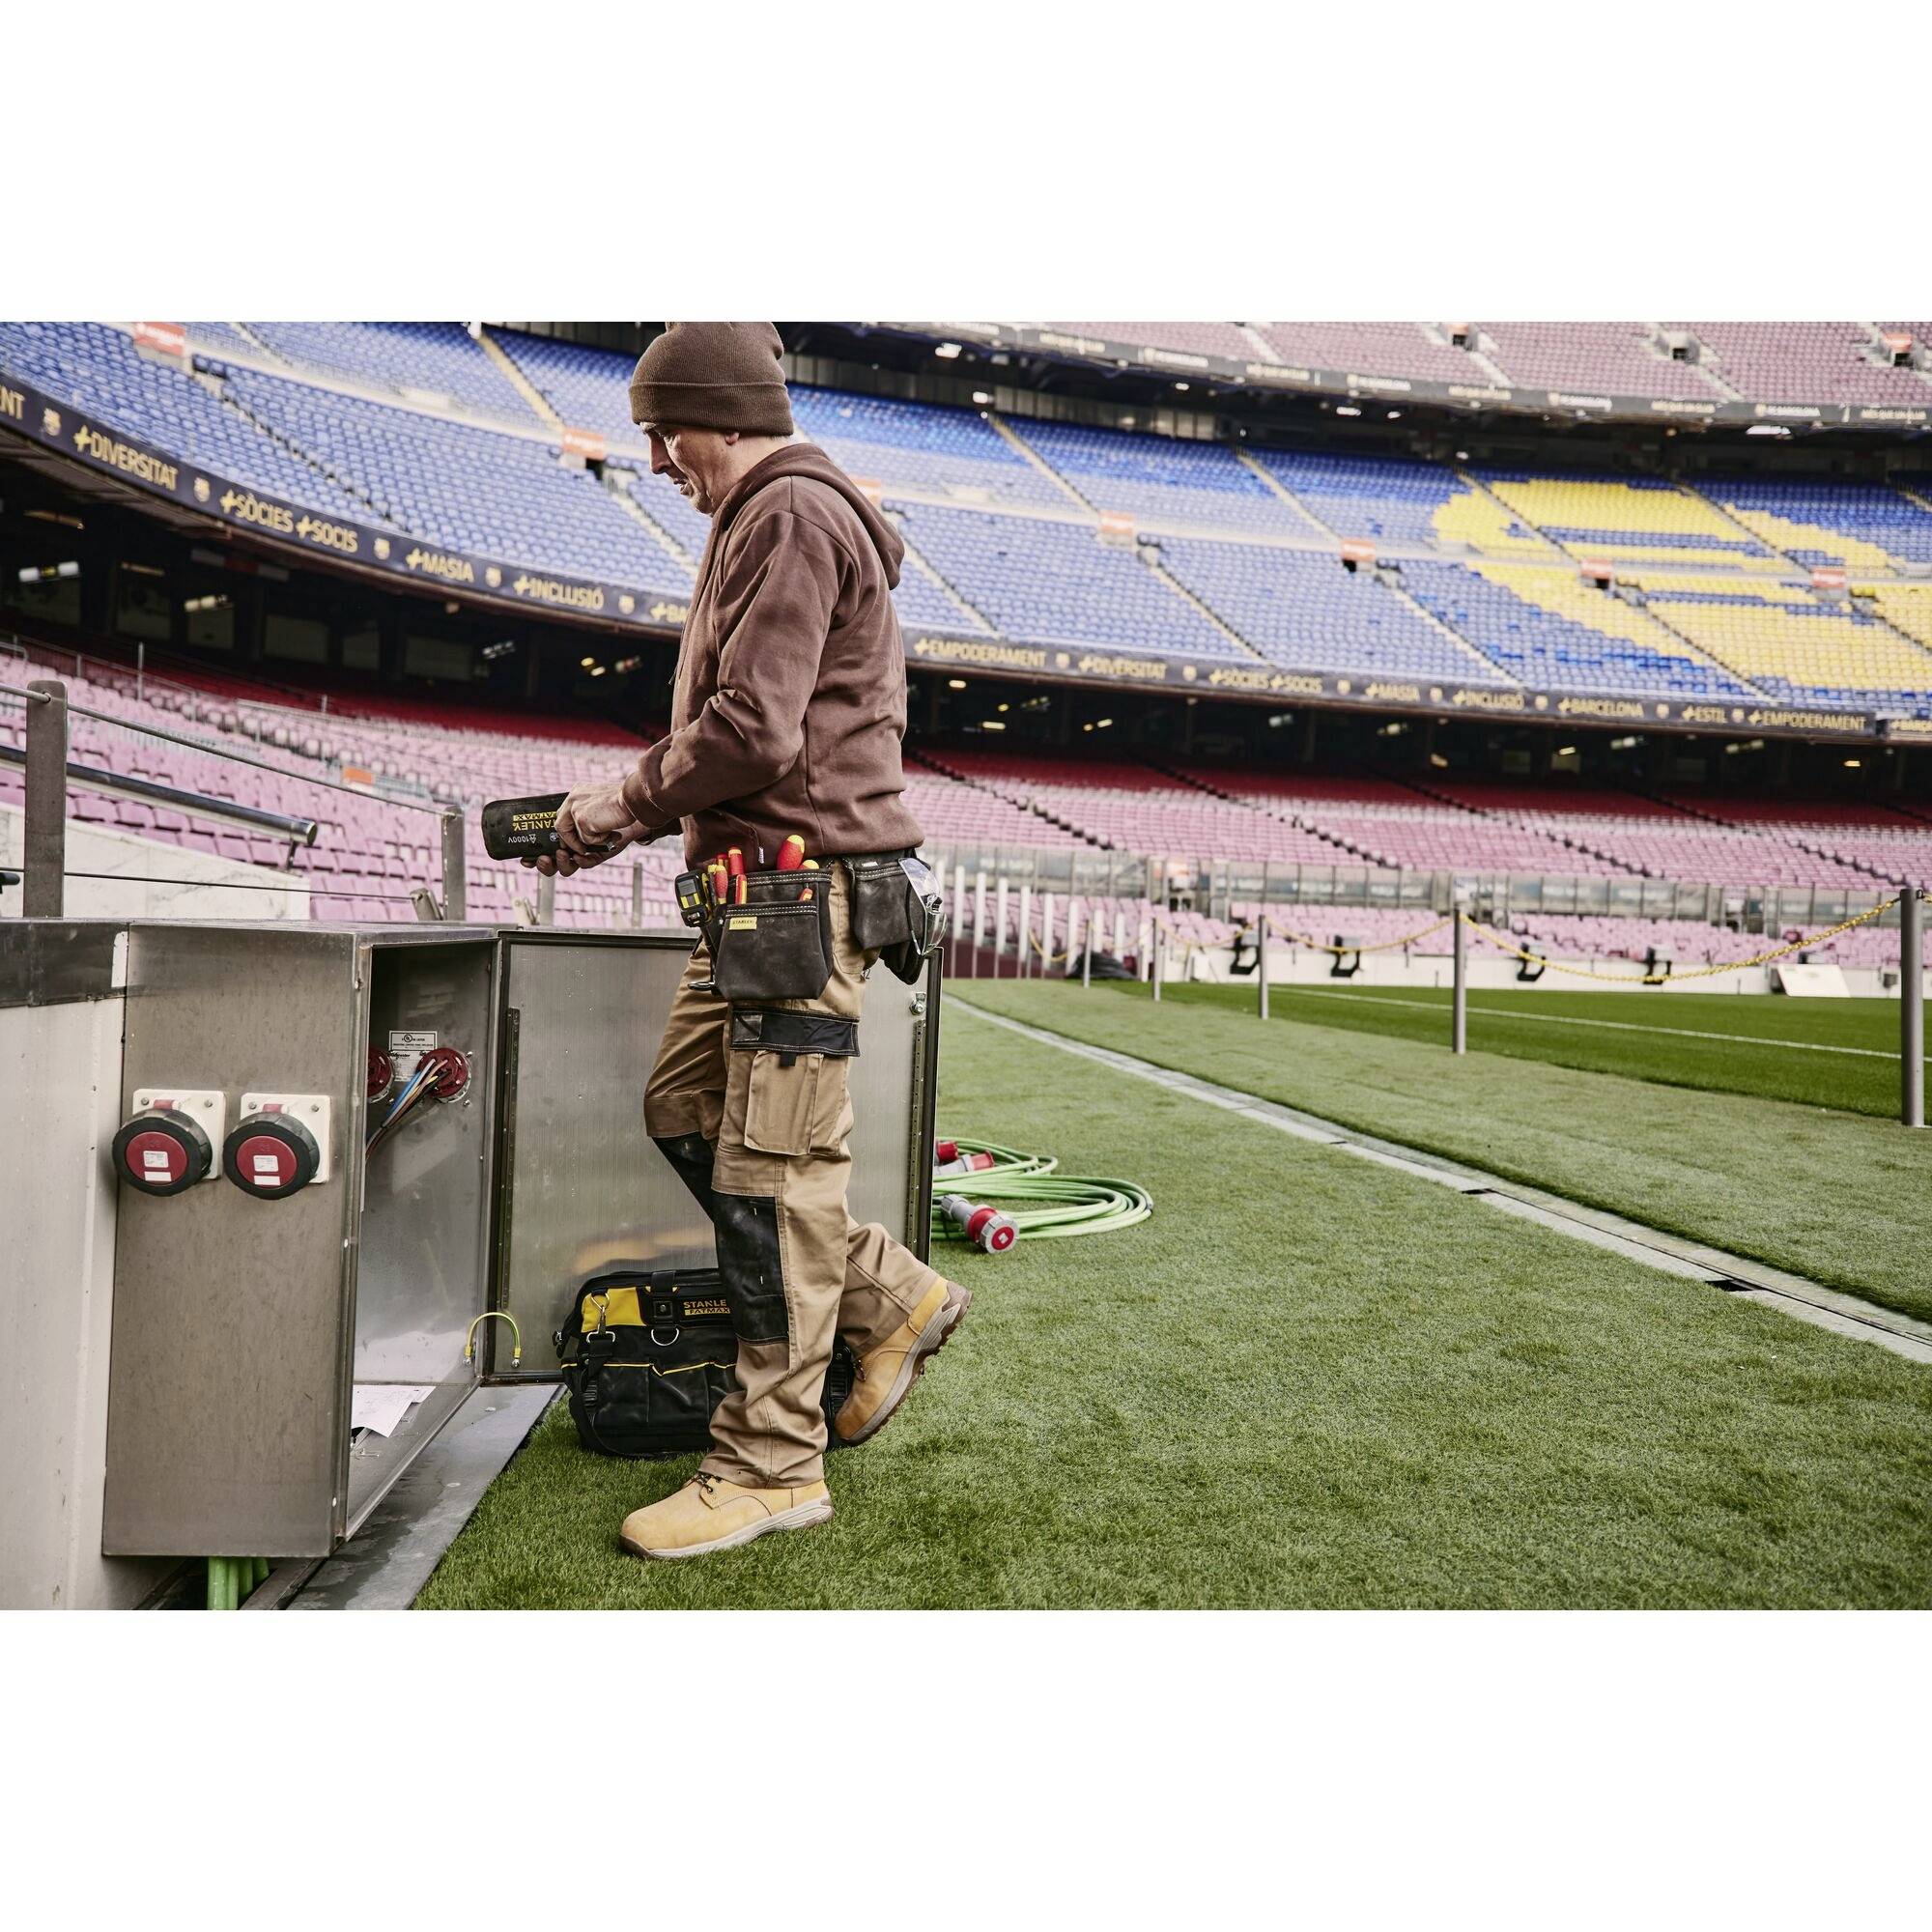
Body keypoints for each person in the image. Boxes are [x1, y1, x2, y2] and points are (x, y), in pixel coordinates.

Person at [526, 322, 969, 1560]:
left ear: (720, 415)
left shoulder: (787, 514)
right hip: (748, 898)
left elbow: (755, 731)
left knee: (771, 1184)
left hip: (795, 897)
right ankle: (889, 1292)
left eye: (666, 432)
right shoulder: (761, 513)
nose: (658, 458)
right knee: (686, 1112)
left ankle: (772, 1464)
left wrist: (611, 808)